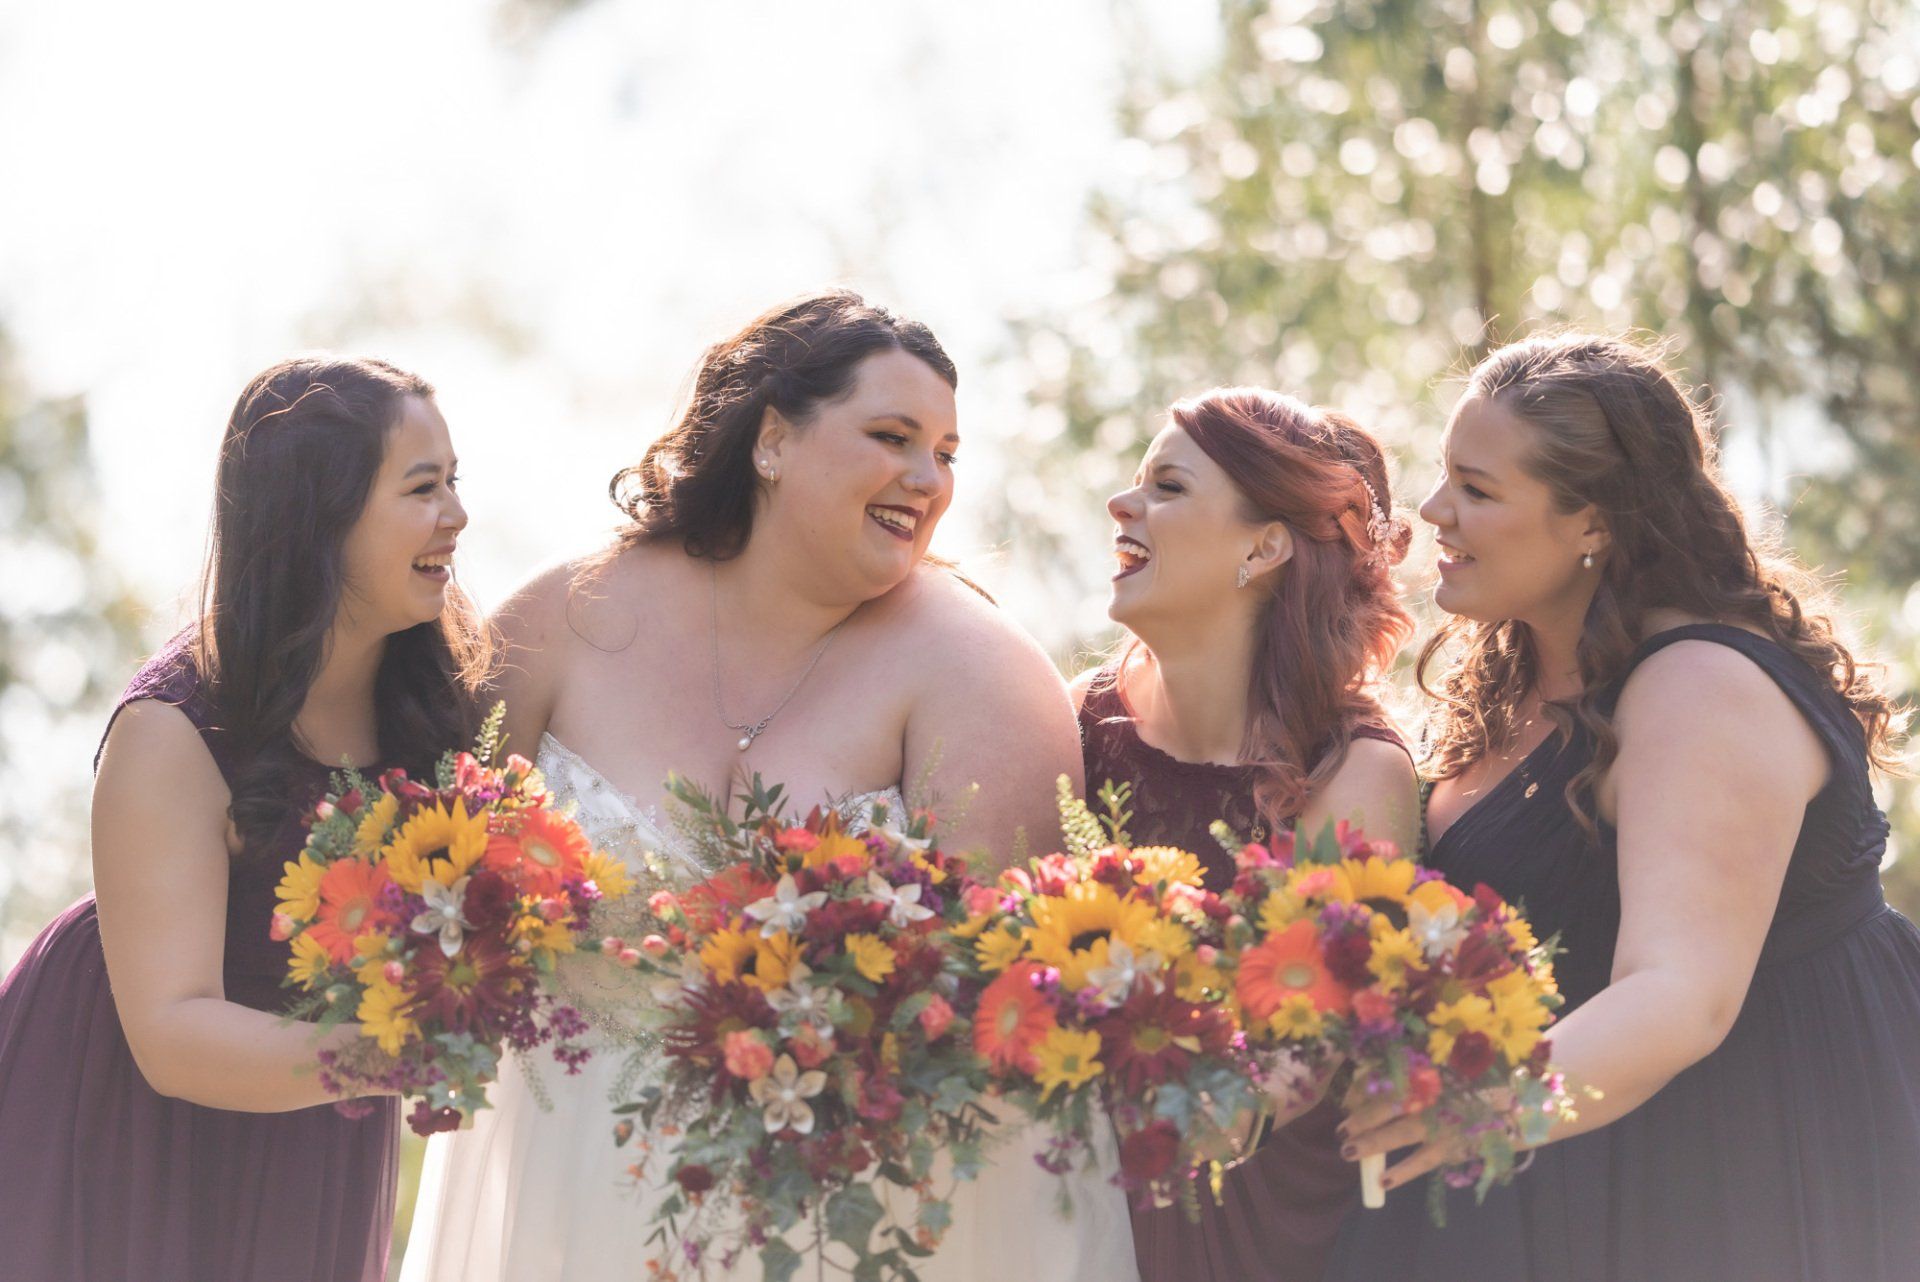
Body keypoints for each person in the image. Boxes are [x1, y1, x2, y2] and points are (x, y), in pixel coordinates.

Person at [402, 289, 1139, 1281]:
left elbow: (994, 1014)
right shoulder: (568, 616)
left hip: (846, 1213)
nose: (928, 479)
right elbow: (424, 854)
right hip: (562, 1188)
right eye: (893, 436)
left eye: (948, 455)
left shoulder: (980, 671)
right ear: (773, 438)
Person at [1331, 333, 1920, 1281]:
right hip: (1589, 1154)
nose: (1435, 512)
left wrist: (1474, 1104)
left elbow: (1681, 994)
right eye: (1445, 477)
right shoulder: (1522, 670)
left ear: (1593, 524)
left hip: (1752, 1157)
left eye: (1478, 491)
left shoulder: (1700, 688)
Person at [0, 357, 486, 1281]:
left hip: (314, 1133)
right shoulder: (172, 729)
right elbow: (173, 1035)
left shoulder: (440, 702)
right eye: (423, 488)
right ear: (322, 514)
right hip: (121, 1131)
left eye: (455, 481)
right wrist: (397, 1055)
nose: (455, 514)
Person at [1076, 386, 1420, 1281]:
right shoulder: (1077, 722)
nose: (1123, 503)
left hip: (1267, 1232)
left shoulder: (1354, 772)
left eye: (1168, 487)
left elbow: (1308, 1054)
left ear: (1264, 548)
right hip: (1074, 1203)